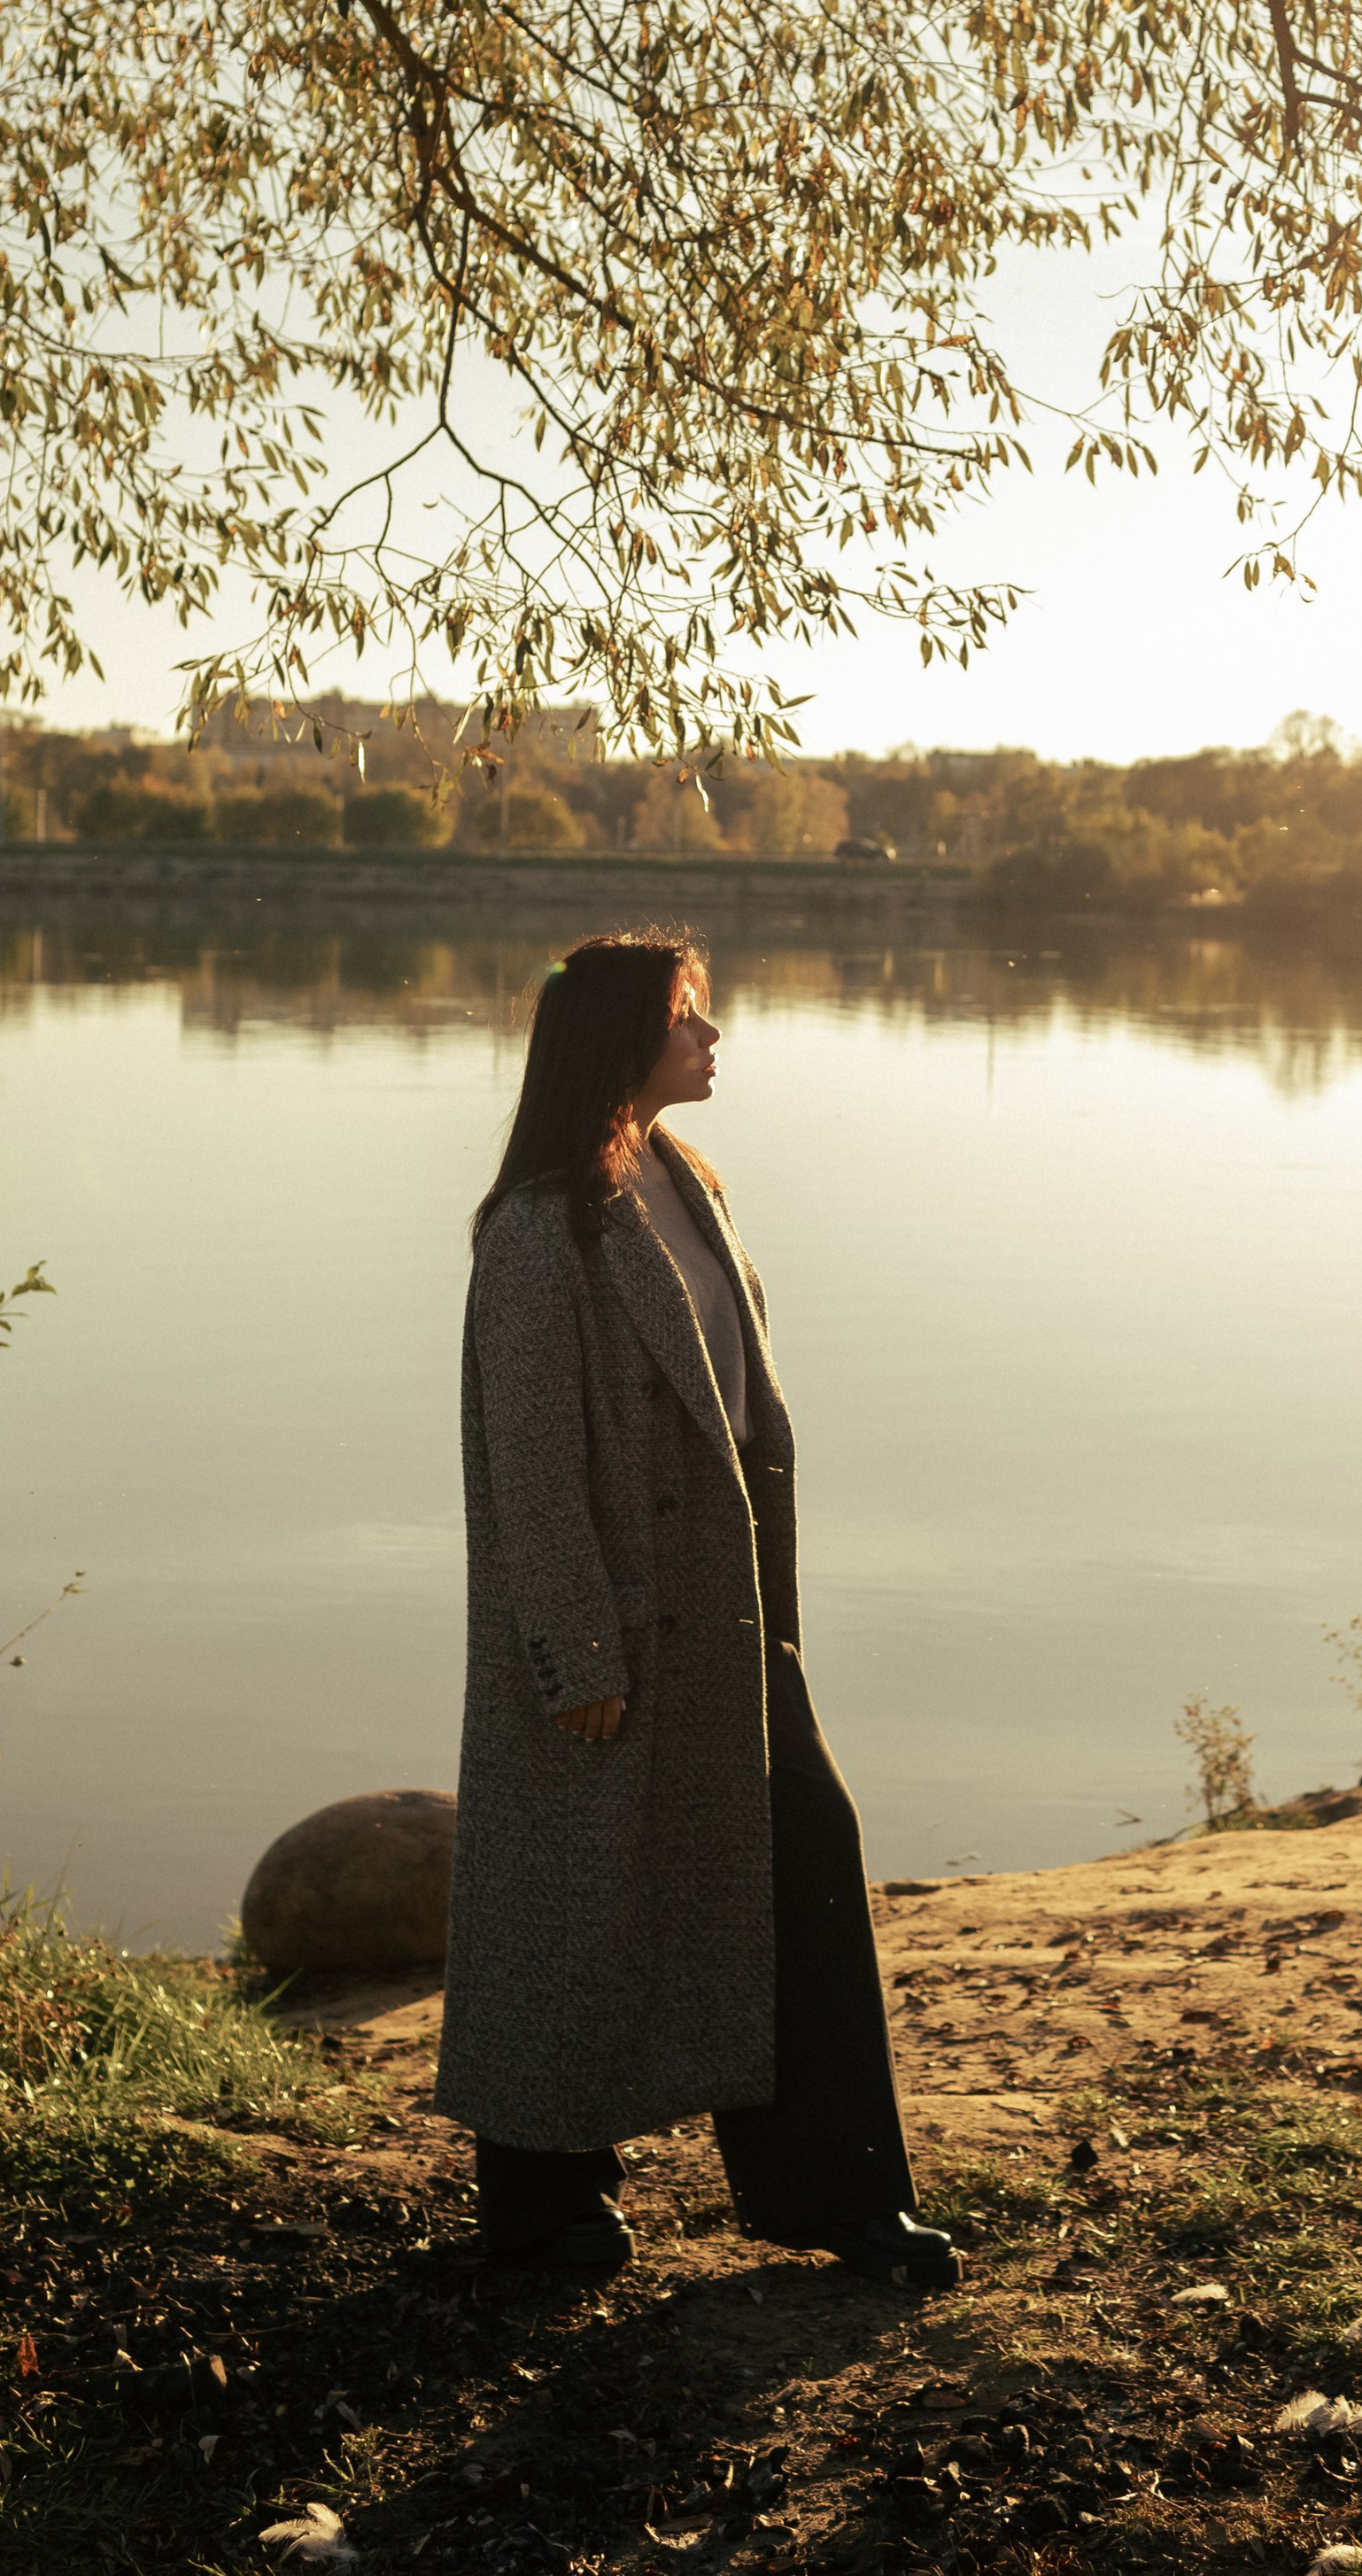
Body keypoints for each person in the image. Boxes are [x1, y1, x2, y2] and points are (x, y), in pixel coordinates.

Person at [435, 924, 956, 2288]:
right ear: (617, 1043)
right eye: (687, 1019)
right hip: (612, 1629)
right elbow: (529, 1460)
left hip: (730, 1618)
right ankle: (546, 2212)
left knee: (800, 1875)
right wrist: (574, 1650)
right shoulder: (542, 1230)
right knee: (572, 1905)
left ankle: (844, 2197)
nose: (712, 1039)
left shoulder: (686, 1181)